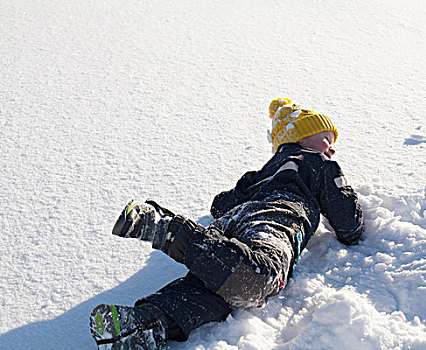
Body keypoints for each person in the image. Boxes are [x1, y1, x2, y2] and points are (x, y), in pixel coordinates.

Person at [89, 98, 364, 349]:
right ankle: (167, 229)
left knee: (217, 287)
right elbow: (348, 226)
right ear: (301, 138)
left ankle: (143, 324)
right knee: (260, 277)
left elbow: (220, 206)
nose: (332, 147)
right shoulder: (319, 164)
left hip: (231, 226)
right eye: (326, 138)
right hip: (275, 219)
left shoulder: (260, 174)